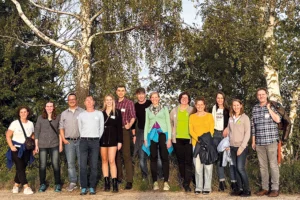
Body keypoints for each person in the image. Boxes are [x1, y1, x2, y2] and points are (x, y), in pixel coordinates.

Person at [252, 88, 281, 197]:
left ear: (266, 95)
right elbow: (253, 126)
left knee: (273, 165)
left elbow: (278, 119)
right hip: (259, 142)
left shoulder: (273, 106)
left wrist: (268, 108)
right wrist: (253, 141)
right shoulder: (255, 108)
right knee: (262, 166)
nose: (261, 96)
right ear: (257, 96)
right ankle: (265, 188)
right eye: (259, 95)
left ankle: (275, 189)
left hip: (271, 140)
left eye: (263, 94)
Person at [143, 91, 172, 191]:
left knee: (164, 157)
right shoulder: (147, 110)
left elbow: (168, 123)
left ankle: (166, 182)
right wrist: (145, 138)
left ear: (159, 98)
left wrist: (169, 139)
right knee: (153, 157)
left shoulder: (164, 108)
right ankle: (155, 182)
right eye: (152, 97)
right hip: (151, 135)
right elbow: (147, 124)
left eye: (156, 97)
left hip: (163, 134)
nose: (154, 99)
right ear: (150, 99)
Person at [132, 88, 163, 181]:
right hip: (141, 132)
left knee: (157, 156)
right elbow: (134, 121)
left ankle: (159, 176)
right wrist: (134, 135)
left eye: (142, 94)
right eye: (139, 94)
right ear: (137, 95)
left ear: (145, 94)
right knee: (142, 157)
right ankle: (145, 176)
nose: (141, 96)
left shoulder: (151, 103)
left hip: (153, 131)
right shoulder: (135, 106)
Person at [78, 96, 104, 195]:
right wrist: (85, 137)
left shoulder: (99, 114)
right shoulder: (81, 115)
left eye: (90, 100)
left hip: (95, 141)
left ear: (93, 102)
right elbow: (80, 129)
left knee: (94, 165)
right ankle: (84, 187)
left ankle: (92, 186)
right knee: (83, 165)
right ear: (84, 103)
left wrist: (96, 138)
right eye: (87, 100)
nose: (89, 102)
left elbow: (101, 128)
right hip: (84, 141)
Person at [5, 106, 35, 195]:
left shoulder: (31, 124)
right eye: (21, 112)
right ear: (19, 113)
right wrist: (11, 146)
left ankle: (16, 185)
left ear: (28, 113)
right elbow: (8, 135)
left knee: (22, 167)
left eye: (25, 112)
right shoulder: (15, 123)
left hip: (26, 148)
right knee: (19, 166)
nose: (23, 114)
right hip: (16, 148)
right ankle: (26, 187)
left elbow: (32, 135)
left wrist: (32, 147)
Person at [211, 91, 236, 191]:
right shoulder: (213, 109)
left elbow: (232, 121)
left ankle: (234, 182)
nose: (220, 100)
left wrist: (227, 128)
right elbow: (210, 121)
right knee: (219, 159)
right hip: (216, 135)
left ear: (224, 99)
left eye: (221, 98)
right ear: (216, 99)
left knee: (229, 158)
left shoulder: (228, 110)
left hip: (225, 135)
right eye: (218, 98)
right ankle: (222, 182)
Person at [35, 101, 62, 192]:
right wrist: (36, 145)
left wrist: (61, 145)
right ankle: (42, 184)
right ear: (45, 108)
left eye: (51, 106)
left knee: (56, 164)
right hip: (42, 145)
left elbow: (60, 132)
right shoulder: (40, 118)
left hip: (54, 144)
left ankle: (57, 184)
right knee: (42, 165)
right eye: (48, 106)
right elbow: (37, 132)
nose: (49, 108)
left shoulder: (57, 117)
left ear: (53, 107)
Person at [59, 93, 84, 191]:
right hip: (68, 141)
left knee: (82, 162)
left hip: (81, 140)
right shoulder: (64, 113)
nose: (72, 101)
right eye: (70, 99)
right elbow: (61, 128)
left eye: (73, 99)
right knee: (70, 163)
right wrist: (64, 139)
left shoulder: (82, 112)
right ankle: (73, 182)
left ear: (76, 100)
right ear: (68, 101)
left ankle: (83, 182)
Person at [189, 97, 214, 195]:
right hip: (197, 144)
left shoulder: (209, 116)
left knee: (208, 167)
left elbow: (211, 130)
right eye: (197, 104)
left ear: (204, 105)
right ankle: (199, 187)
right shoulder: (192, 117)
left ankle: (207, 187)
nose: (199, 106)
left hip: (207, 144)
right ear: (195, 105)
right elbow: (191, 130)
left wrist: (205, 140)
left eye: (201, 104)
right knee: (198, 167)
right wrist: (199, 139)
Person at [170, 92, 194, 192]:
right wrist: (172, 135)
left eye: (186, 98)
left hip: (189, 139)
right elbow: (170, 123)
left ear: (189, 100)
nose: (184, 99)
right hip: (177, 139)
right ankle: (184, 179)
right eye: (182, 97)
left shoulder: (192, 110)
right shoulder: (174, 110)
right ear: (179, 99)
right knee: (181, 161)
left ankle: (187, 184)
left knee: (188, 161)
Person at [227, 99, 251, 197]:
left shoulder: (245, 118)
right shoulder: (231, 118)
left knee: (241, 168)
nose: (236, 107)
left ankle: (247, 190)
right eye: (234, 105)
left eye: (237, 105)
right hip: (232, 147)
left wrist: (242, 147)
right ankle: (239, 189)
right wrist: (228, 145)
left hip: (241, 147)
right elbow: (229, 132)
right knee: (236, 168)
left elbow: (247, 133)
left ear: (241, 106)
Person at [100, 94, 123, 192]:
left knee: (112, 161)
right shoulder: (101, 113)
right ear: (105, 101)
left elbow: (119, 129)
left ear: (113, 101)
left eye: (110, 100)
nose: (109, 101)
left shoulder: (117, 112)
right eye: (107, 100)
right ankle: (106, 182)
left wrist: (120, 141)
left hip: (113, 139)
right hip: (103, 139)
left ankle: (114, 183)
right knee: (104, 160)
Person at [115, 85, 136, 189]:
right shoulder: (113, 103)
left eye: (122, 91)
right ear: (116, 92)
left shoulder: (129, 103)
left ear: (125, 92)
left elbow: (133, 116)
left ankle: (129, 181)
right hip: (114, 132)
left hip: (124, 130)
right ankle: (119, 178)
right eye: (119, 91)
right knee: (116, 155)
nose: (121, 92)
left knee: (126, 155)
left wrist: (130, 124)